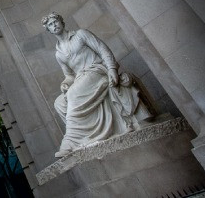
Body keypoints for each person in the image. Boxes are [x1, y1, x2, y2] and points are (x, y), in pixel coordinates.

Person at [43, 12, 148, 157]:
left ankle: (70, 141)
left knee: (73, 94)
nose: (54, 25)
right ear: (48, 30)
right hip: (81, 78)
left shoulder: (81, 34)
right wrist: (65, 84)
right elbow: (69, 75)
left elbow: (102, 49)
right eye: (50, 25)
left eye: (55, 21)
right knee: (59, 103)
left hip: (98, 70)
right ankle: (85, 139)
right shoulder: (59, 54)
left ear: (62, 22)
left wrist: (111, 68)